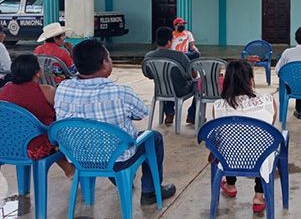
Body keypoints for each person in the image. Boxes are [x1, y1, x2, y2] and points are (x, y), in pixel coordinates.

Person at [54, 39, 176, 205]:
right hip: (116, 158)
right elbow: (141, 113)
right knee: (153, 137)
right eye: (109, 58)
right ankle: (150, 191)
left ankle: (120, 180)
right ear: (104, 63)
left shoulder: (63, 88)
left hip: (78, 158)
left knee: (105, 144)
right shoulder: (121, 92)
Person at [212, 60, 277, 214]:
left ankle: (230, 184)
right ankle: (259, 197)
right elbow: (269, 127)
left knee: (229, 143)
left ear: (227, 81)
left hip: (229, 160)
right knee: (261, 144)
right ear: (250, 80)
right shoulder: (267, 101)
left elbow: (220, 136)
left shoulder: (218, 106)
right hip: (260, 159)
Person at [0, 54, 74, 177]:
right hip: (34, 149)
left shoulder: (4, 91)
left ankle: (69, 170)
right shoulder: (47, 91)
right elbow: (62, 114)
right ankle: (71, 170)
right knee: (59, 135)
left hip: (7, 147)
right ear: (37, 73)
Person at [144, 26, 196, 125]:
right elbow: (192, 74)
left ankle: (169, 113)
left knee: (166, 81)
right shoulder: (180, 56)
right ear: (169, 41)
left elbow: (149, 75)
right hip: (180, 91)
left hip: (160, 90)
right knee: (198, 84)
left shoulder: (148, 56)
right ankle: (192, 115)